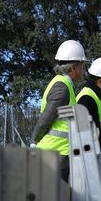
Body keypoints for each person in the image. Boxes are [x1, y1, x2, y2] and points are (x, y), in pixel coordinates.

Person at [31, 40, 86, 182]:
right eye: (82, 65)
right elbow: (46, 117)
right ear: (73, 69)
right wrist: (34, 142)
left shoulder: (63, 85)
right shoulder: (62, 88)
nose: (83, 69)